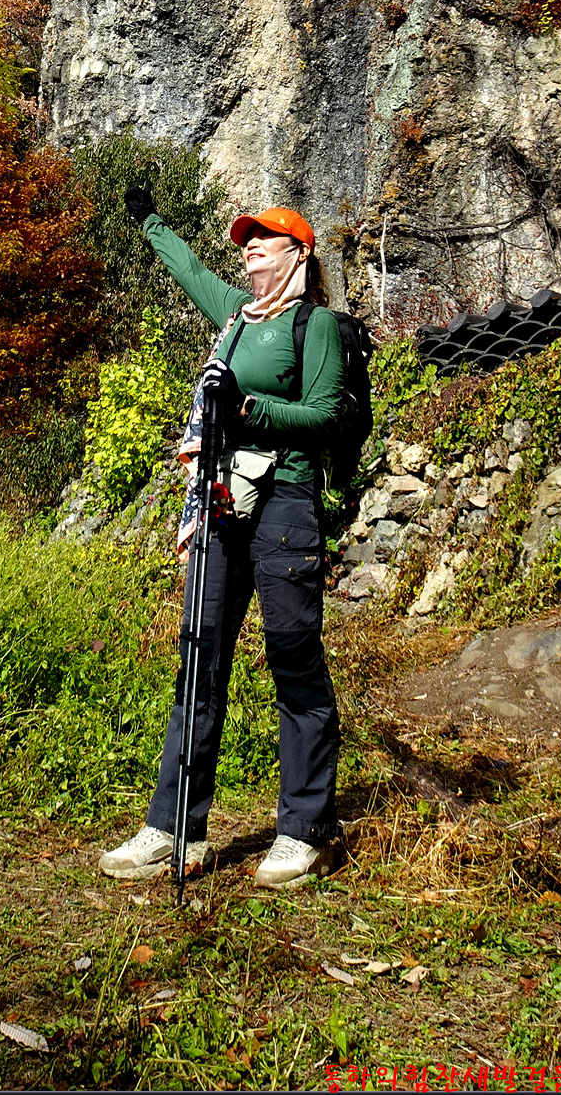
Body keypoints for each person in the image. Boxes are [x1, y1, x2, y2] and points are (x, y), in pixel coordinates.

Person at [98, 190, 344, 889]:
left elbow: (325, 416)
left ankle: (304, 831)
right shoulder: (236, 315)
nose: (250, 245)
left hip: (286, 502)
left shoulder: (314, 325)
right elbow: (189, 270)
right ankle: (176, 828)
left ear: (300, 254)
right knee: (199, 658)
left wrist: (248, 407)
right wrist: (148, 219)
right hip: (220, 498)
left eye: (265, 237)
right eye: (246, 239)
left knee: (293, 659)